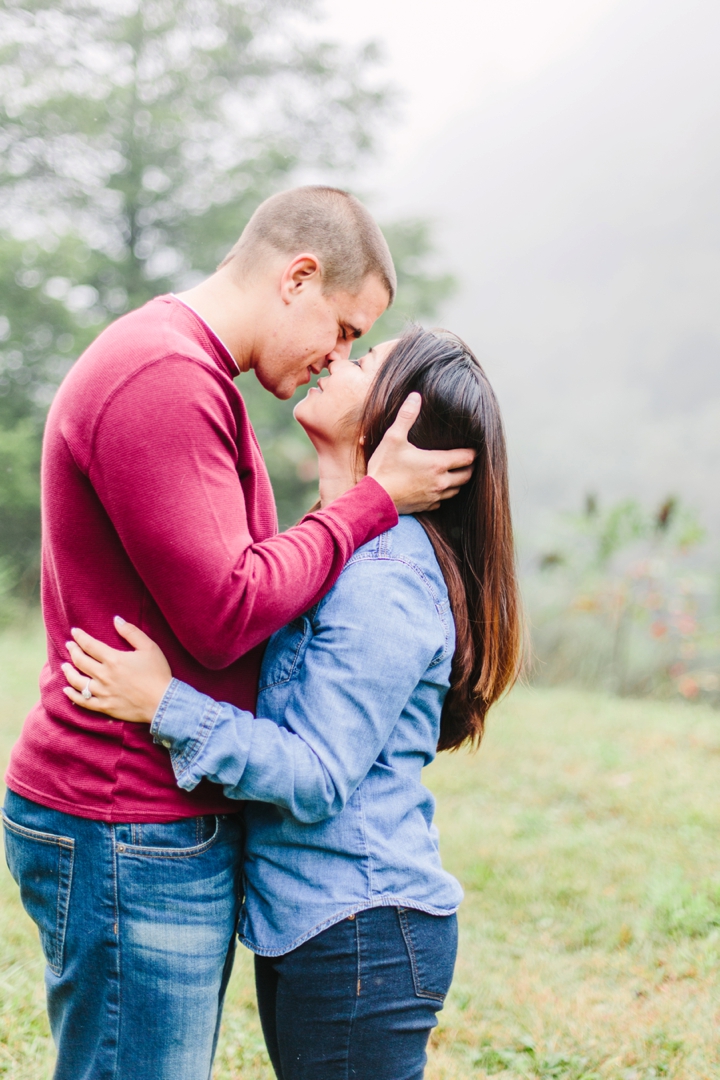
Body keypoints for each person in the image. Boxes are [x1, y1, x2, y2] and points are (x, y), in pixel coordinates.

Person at [1, 188, 476, 1080]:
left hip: (158, 812)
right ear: (299, 277)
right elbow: (227, 614)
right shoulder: (164, 377)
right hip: (125, 812)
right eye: (342, 328)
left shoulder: (192, 374)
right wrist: (375, 499)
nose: (338, 357)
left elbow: (266, 596)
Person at [60, 327, 523, 1080]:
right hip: (317, 925)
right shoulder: (335, 549)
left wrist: (165, 704)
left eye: (364, 359)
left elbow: (314, 775)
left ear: (396, 423)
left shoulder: (386, 580)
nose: (339, 357)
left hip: (362, 930)